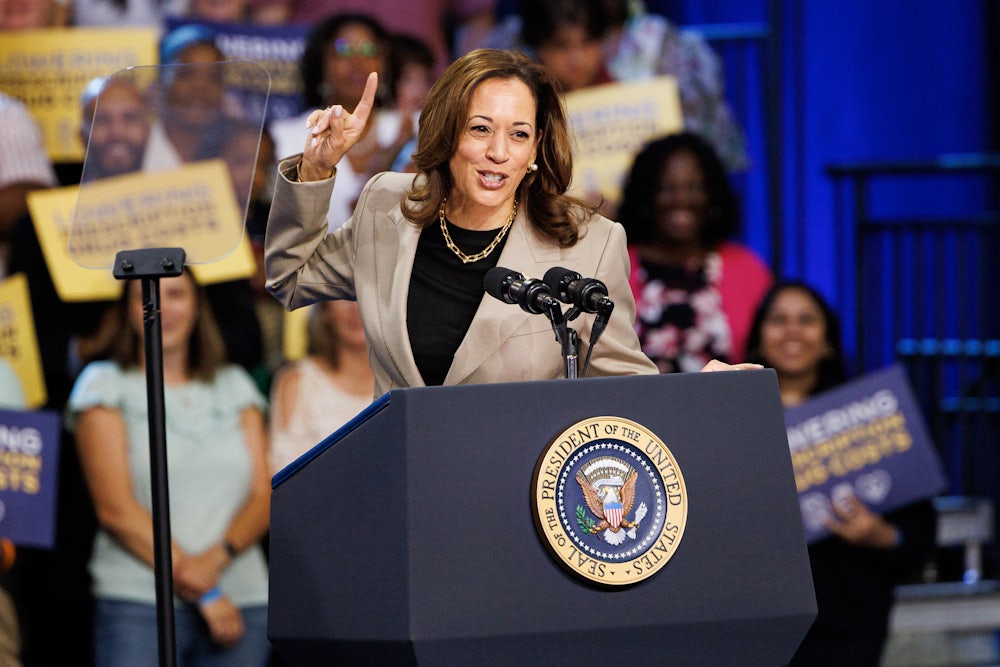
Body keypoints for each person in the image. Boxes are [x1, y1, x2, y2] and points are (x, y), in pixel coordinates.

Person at [265, 48, 756, 394]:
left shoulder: (590, 243)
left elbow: (618, 382)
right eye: (480, 129)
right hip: (403, 486)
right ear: (445, 131)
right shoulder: (385, 206)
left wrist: (697, 396)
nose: (498, 153)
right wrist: (316, 168)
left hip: (516, 496)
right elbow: (289, 277)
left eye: (518, 134)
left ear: (537, 148)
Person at [67, 268, 271, 666]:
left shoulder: (235, 384)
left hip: (244, 598)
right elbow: (116, 510)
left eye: (177, 294)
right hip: (138, 601)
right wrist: (203, 589)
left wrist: (212, 564)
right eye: (147, 295)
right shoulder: (103, 384)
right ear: (126, 309)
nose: (162, 307)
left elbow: (264, 496)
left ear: (198, 306)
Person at [745, 281, 936, 667]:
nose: (792, 331)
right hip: (757, 615)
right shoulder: (732, 417)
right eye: (778, 320)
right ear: (759, 339)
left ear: (828, 339)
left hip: (849, 620)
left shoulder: (871, 417)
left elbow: (920, 531)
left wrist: (881, 535)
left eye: (806, 320)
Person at [618, 131, 772, 374]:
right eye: (667, 187)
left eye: (694, 187)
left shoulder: (746, 269)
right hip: (631, 411)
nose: (681, 199)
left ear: (713, 195)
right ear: (646, 194)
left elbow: (767, 358)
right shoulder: (615, 264)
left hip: (729, 409)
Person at [268, 13, 412, 231]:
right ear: (321, 62)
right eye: (343, 50)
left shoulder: (408, 129)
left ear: (384, 63)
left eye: (368, 50)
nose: (357, 62)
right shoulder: (286, 136)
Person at [269, 299, 373, 474]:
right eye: (344, 294)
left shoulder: (409, 381)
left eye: (363, 293)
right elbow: (281, 477)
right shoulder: (297, 381)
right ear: (324, 309)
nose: (356, 307)